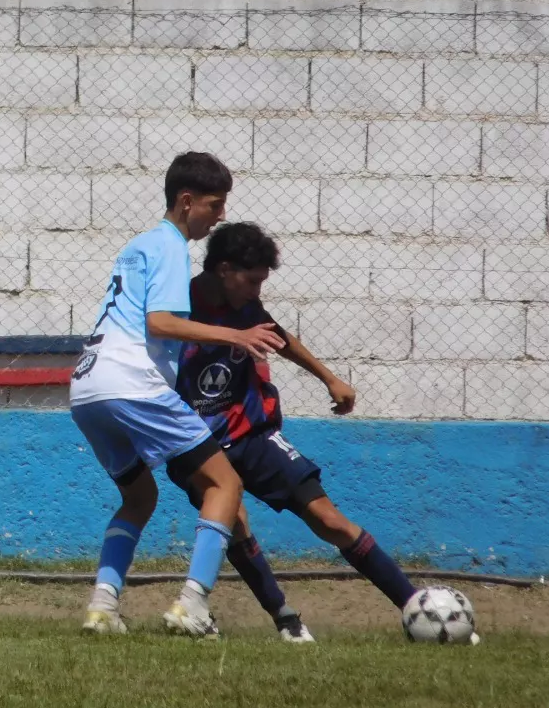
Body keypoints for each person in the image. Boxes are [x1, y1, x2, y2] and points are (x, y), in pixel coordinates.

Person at [70, 152, 285, 639]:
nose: (221, 215)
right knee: (225, 484)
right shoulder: (169, 246)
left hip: (87, 386)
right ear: (186, 202)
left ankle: (102, 607)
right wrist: (236, 336)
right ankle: (192, 605)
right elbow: (160, 322)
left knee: (139, 494)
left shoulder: (138, 244)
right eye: (214, 204)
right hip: (131, 382)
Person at [170, 221, 417, 642]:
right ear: (224, 269)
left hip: (252, 435)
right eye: (252, 281)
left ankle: (416, 607)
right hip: (196, 443)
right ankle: (286, 620)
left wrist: (329, 378)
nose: (257, 292)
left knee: (329, 519)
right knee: (235, 523)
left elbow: (281, 338)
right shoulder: (175, 307)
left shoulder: (247, 308)